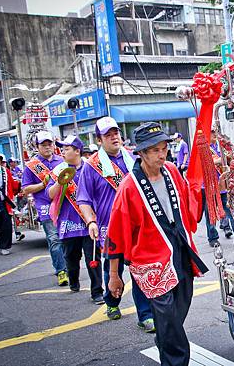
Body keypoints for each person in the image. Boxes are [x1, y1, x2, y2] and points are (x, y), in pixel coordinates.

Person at [106, 122, 209, 366]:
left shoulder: (172, 171)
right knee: (169, 319)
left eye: (164, 148)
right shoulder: (128, 187)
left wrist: (211, 190)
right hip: (150, 262)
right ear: (140, 153)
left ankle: (165, 342)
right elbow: (116, 234)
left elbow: (188, 205)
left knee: (177, 315)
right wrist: (114, 275)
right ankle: (175, 361)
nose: (162, 154)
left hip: (179, 253)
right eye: (154, 150)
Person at [77, 116, 155, 332]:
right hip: (109, 227)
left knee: (139, 269)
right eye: (108, 134)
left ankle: (145, 315)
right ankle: (111, 302)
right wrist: (90, 221)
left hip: (136, 225)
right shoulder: (91, 167)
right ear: (99, 140)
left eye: (116, 133)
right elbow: (83, 198)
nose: (114, 137)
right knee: (113, 269)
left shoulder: (134, 159)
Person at [47, 135, 104, 304]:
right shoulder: (59, 170)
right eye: (62, 149)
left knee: (92, 257)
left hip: (89, 222)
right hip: (68, 224)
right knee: (71, 258)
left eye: (66, 149)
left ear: (77, 151)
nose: (62, 152)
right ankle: (74, 280)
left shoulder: (91, 168)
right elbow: (49, 194)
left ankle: (97, 292)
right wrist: (60, 182)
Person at [22, 131, 68, 286]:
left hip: (65, 204)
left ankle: (70, 267)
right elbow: (26, 189)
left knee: (67, 238)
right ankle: (61, 271)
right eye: (43, 145)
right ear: (37, 146)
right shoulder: (31, 166)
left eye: (50, 144)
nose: (47, 147)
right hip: (45, 206)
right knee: (54, 239)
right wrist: (42, 185)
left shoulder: (62, 161)